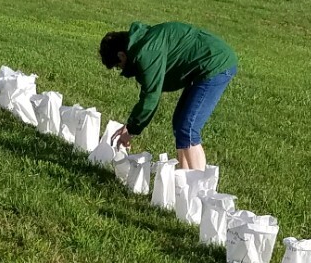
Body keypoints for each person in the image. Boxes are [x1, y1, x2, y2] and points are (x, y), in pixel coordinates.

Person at [100, 21, 237, 171]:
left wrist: (131, 129)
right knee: (180, 126)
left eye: (118, 65)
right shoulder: (143, 43)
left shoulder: (146, 52)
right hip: (203, 67)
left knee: (188, 129)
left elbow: (151, 96)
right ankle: (184, 181)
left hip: (215, 64)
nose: (121, 69)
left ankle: (200, 188)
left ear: (121, 55)